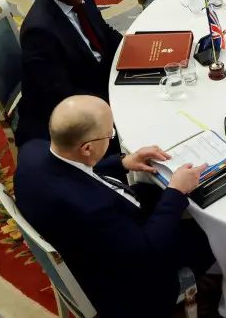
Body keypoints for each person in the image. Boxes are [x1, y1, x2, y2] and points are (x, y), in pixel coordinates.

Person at [15, 95, 215, 318]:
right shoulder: (91, 209)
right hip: (128, 281)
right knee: (210, 232)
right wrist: (177, 191)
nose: (111, 138)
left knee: (154, 191)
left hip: (89, 231)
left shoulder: (32, 150)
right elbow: (145, 252)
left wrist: (122, 162)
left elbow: (76, 171)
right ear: (87, 148)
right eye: (110, 134)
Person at [18, 0, 124, 148]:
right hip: (71, 101)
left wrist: (132, 48)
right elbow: (58, 92)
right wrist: (112, 101)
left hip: (94, 73)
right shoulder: (39, 31)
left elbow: (104, 32)